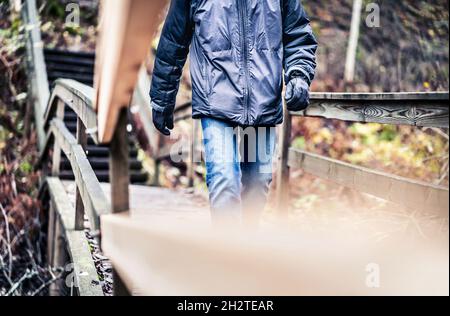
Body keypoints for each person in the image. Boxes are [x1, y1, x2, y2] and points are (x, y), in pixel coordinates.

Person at [150, 0, 317, 225]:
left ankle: (244, 248)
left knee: (257, 184)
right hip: (215, 101)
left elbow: (298, 36)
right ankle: (227, 252)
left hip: (264, 102)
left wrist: (299, 75)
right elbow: (173, 41)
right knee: (224, 180)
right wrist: (162, 98)